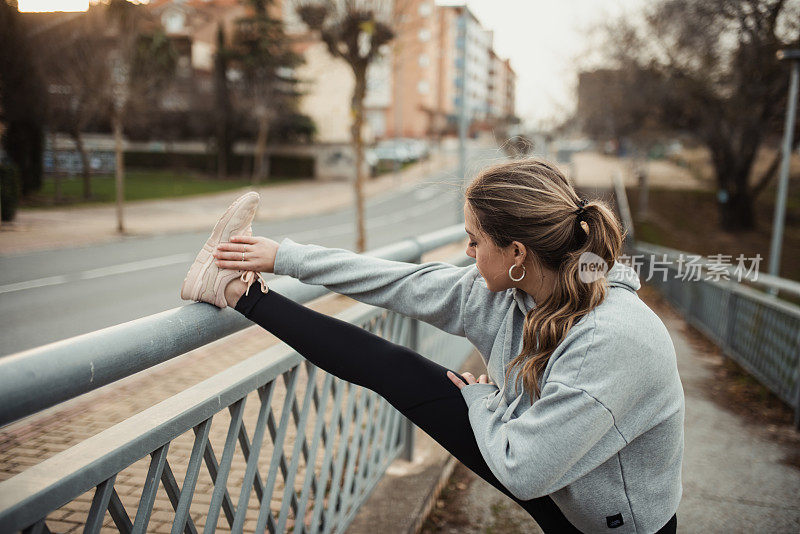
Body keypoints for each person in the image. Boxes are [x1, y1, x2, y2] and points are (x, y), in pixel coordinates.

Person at [181, 158, 684, 533]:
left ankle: (234, 291)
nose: (466, 252)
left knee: (430, 383)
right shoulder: (511, 292)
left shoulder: (614, 339)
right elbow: (397, 281)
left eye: (473, 240)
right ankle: (234, 290)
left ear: (516, 252)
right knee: (396, 370)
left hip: (616, 525)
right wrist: (280, 256)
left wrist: (486, 401)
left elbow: (523, 470)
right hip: (560, 489)